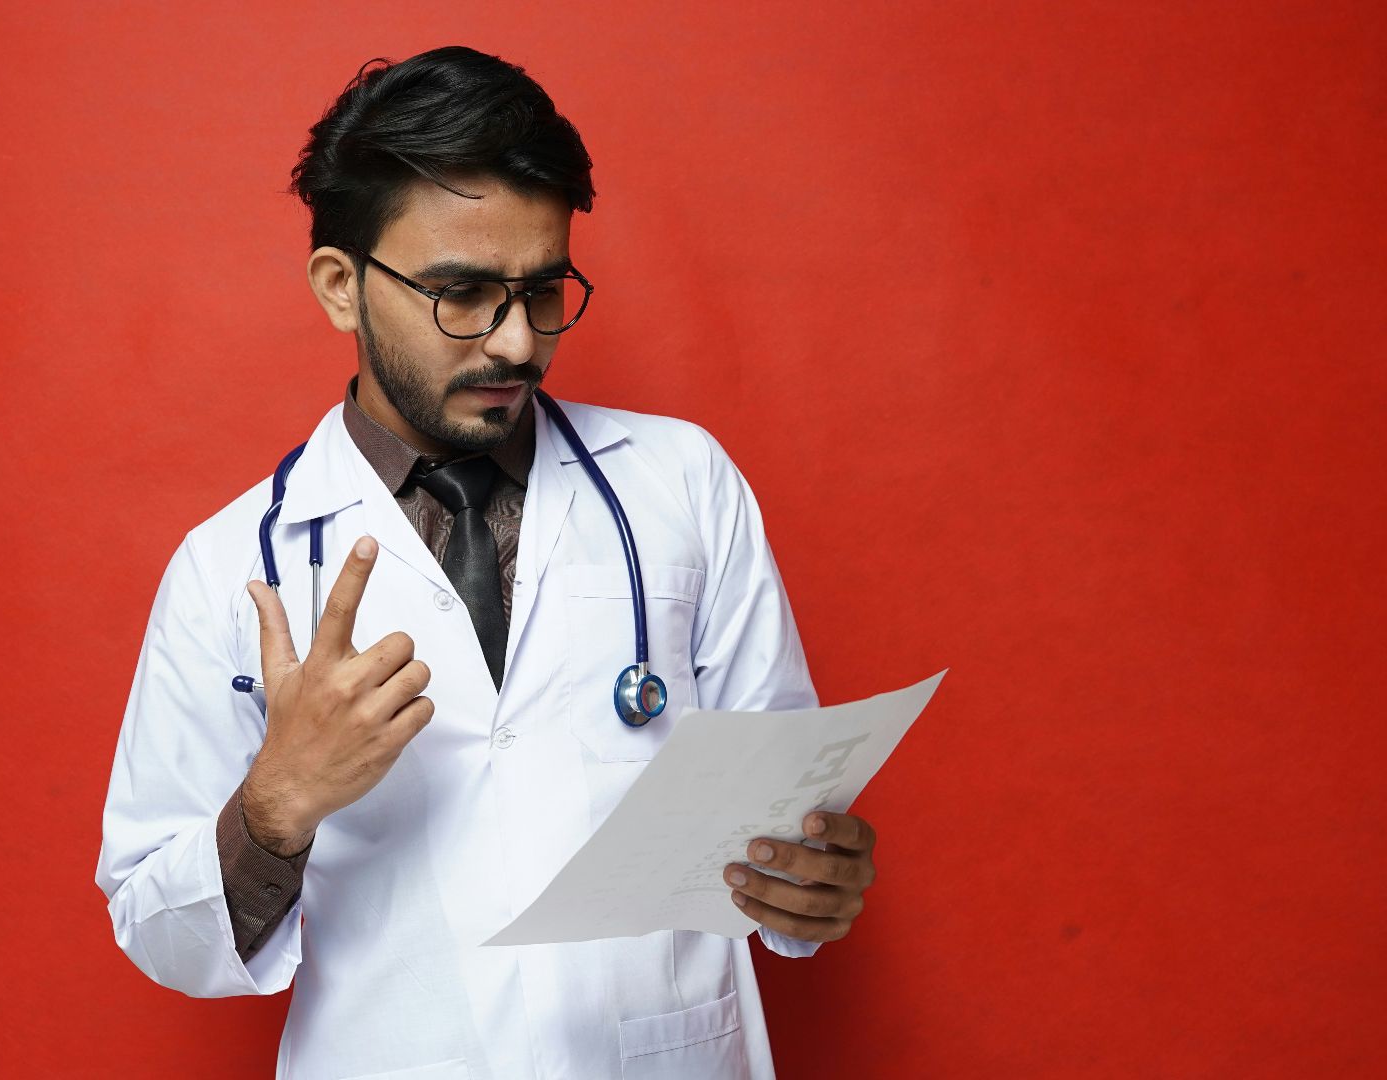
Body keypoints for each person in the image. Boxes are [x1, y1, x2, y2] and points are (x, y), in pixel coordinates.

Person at [95, 45, 881, 1079]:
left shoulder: (683, 484)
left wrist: (813, 877)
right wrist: (275, 807)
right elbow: (161, 934)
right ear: (342, 286)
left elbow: (783, 813)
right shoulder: (228, 568)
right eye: (463, 294)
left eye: (544, 289)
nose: (515, 342)